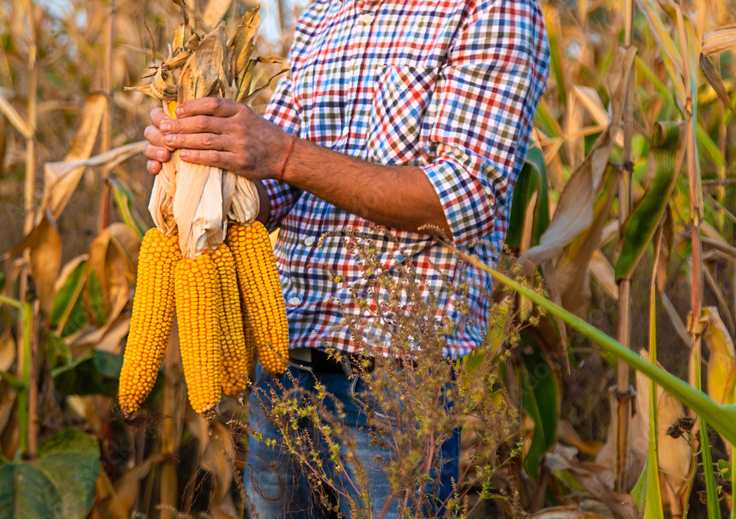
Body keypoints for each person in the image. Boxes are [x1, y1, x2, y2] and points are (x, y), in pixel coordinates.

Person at [142, 0, 549, 515]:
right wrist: (199, 163)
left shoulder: (491, 10)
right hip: (283, 364)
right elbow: (275, 189)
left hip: (395, 381)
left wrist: (282, 153)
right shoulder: (326, 13)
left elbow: (460, 199)